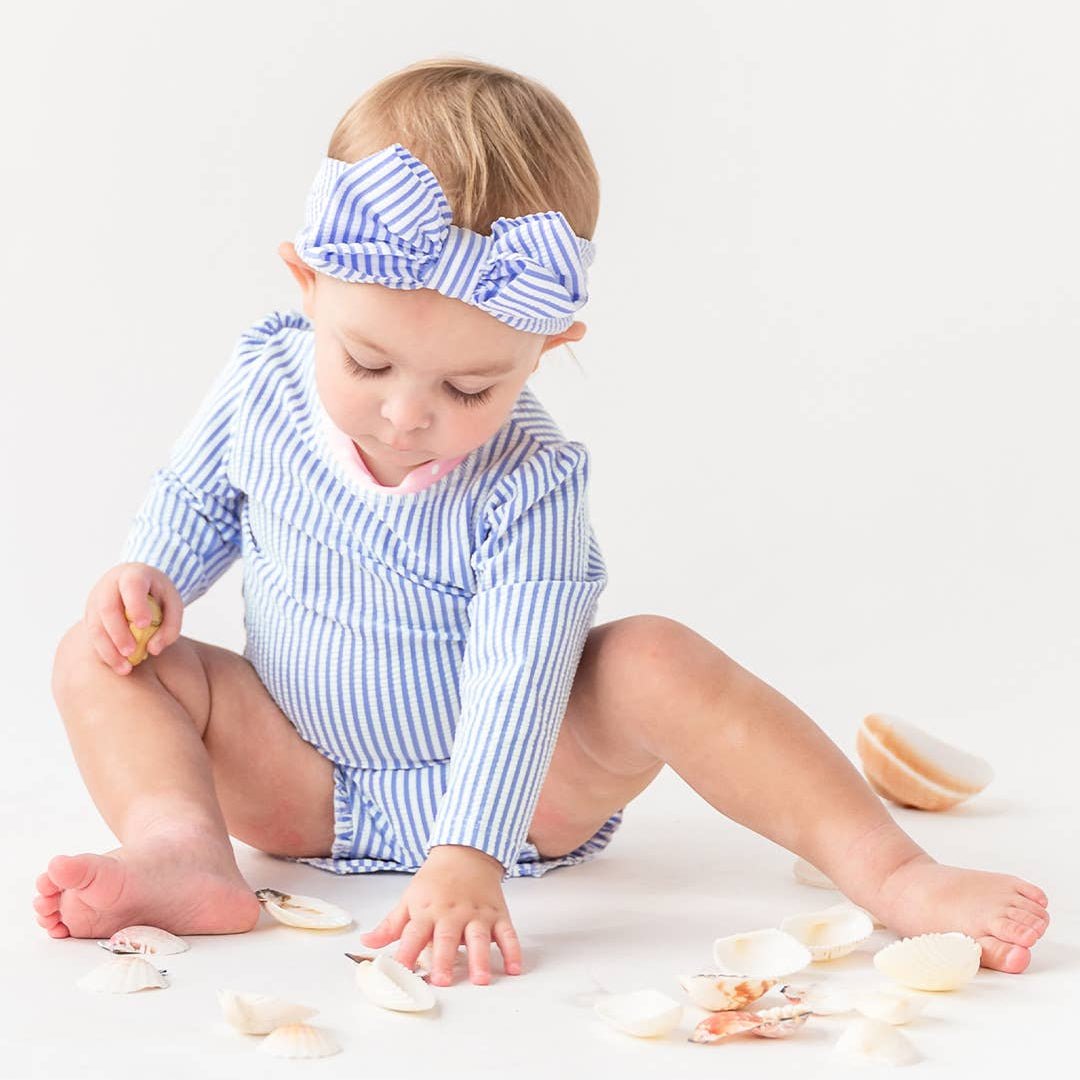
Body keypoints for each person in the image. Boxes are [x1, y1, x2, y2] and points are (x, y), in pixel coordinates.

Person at [34, 57, 1048, 988]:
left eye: (470, 384)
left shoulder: (533, 481)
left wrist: (470, 855)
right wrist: (150, 573)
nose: (407, 413)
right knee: (100, 656)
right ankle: (182, 851)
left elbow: (520, 678)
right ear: (308, 283)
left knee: (656, 658)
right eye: (369, 362)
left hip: (530, 800)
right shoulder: (263, 375)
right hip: (293, 772)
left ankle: (894, 873)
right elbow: (196, 494)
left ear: (545, 347)